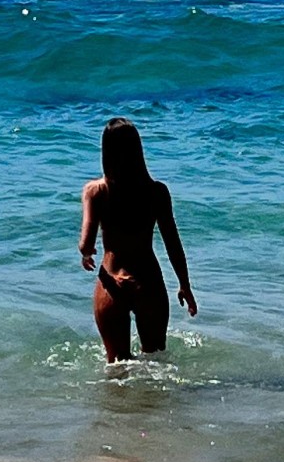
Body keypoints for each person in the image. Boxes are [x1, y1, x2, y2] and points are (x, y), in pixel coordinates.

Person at [79, 118, 197, 362]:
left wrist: (86, 253)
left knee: (117, 367)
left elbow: (86, 244)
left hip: (111, 283)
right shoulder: (157, 192)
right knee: (156, 364)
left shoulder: (96, 192)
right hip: (148, 283)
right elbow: (173, 243)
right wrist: (184, 284)